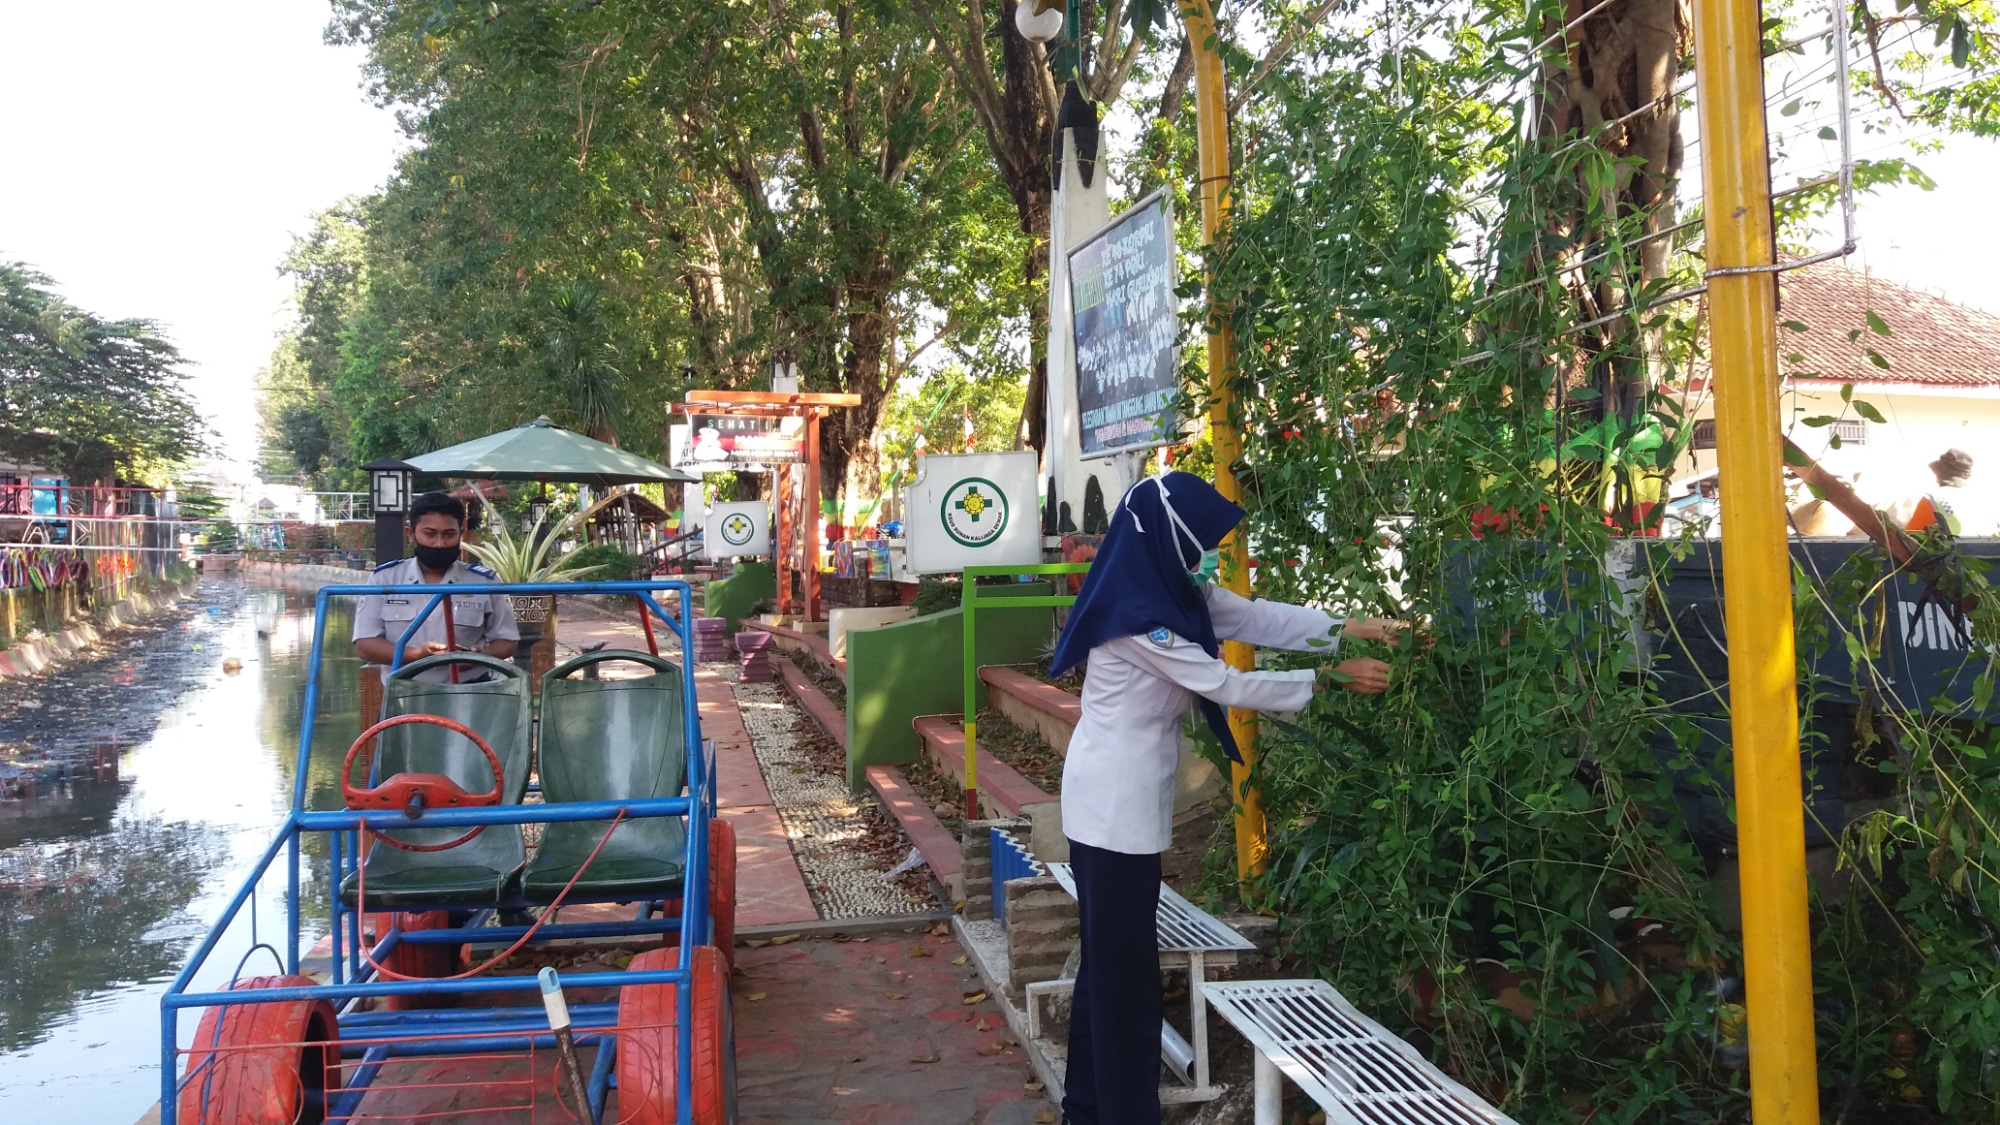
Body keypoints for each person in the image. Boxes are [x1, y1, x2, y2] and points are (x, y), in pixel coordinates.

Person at [1048, 471, 1404, 1125]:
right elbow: (1224, 684)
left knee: (1110, 964)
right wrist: (1329, 678)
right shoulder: (1137, 620)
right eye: (1200, 545)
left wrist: (1351, 627)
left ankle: (1087, 1107)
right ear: (1169, 540)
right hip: (1111, 810)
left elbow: (1256, 616)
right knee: (1124, 975)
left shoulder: (1164, 589)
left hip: (1118, 803)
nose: (1205, 559)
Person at [352, 491, 520, 682]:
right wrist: (417, 655)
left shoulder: (484, 582)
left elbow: (507, 641)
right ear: (411, 534)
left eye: (449, 534)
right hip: (404, 692)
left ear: (460, 534)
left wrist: (476, 657)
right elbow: (365, 645)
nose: (439, 544)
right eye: (430, 534)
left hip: (470, 691)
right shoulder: (384, 580)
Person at [1897, 448, 1998, 538]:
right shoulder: (1985, 499)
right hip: (1989, 552)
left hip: (1952, 553)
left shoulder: (1933, 499)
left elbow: (1911, 538)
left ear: (1939, 474)